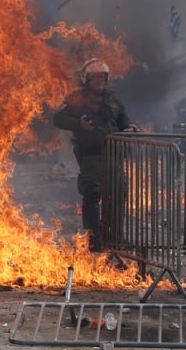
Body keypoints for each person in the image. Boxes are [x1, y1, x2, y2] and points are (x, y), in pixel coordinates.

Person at [53, 58, 138, 252]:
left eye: (103, 77)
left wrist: (129, 128)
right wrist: (78, 124)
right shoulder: (77, 99)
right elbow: (58, 118)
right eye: (95, 77)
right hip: (91, 156)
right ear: (86, 79)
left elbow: (123, 121)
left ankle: (115, 238)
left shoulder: (113, 100)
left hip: (114, 155)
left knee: (118, 193)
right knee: (92, 193)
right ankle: (94, 239)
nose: (100, 81)